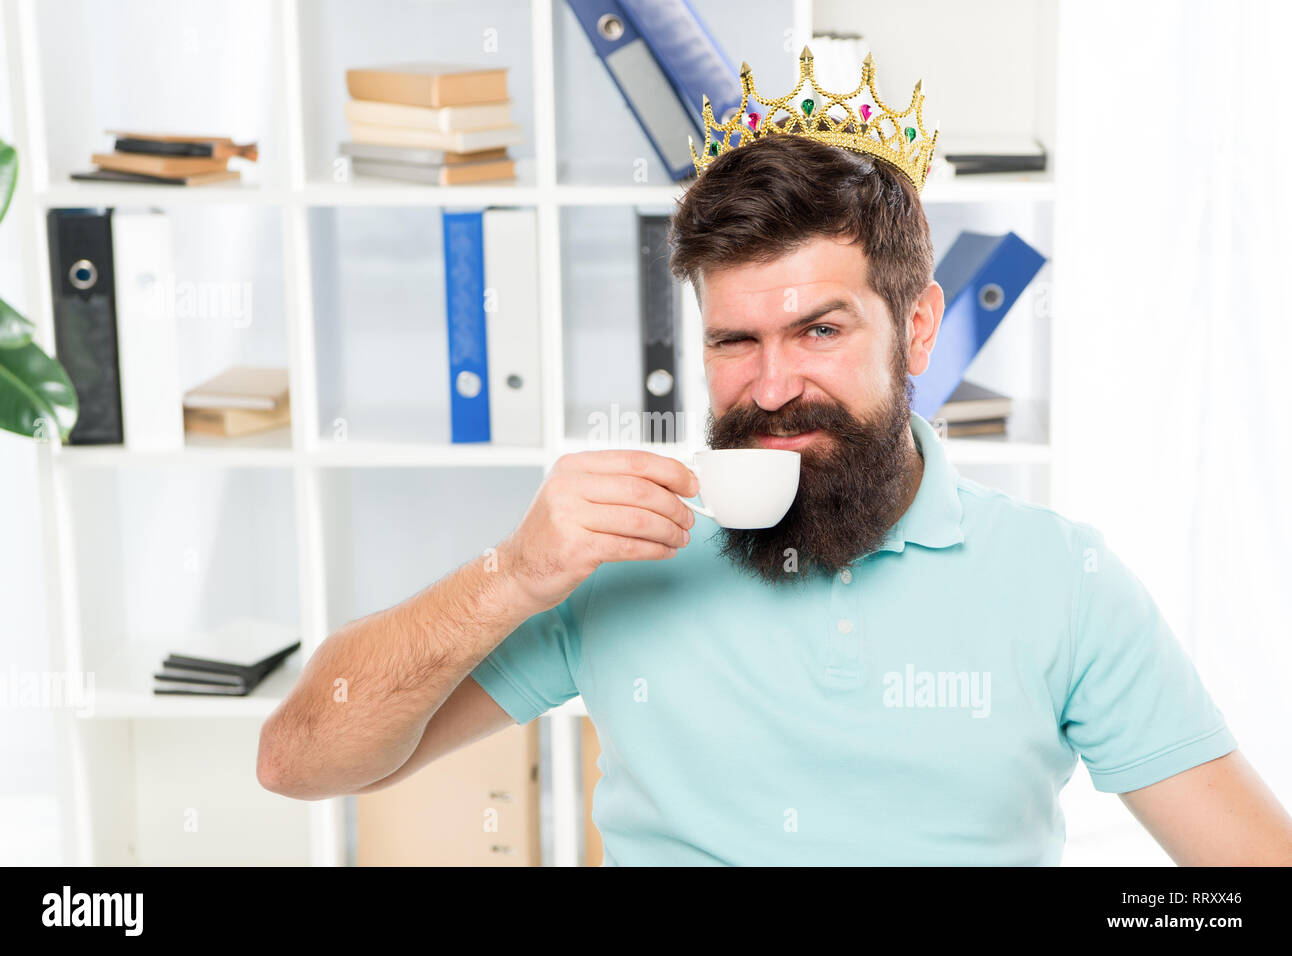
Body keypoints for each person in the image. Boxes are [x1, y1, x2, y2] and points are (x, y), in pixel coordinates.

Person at [257, 133, 1292, 867]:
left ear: (918, 329)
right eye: (733, 341)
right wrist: (513, 575)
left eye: (821, 332)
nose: (771, 385)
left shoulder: (1062, 581)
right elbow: (301, 760)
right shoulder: (620, 555)